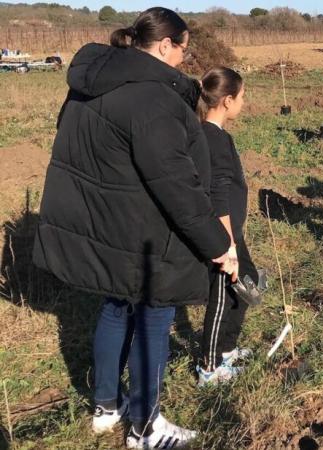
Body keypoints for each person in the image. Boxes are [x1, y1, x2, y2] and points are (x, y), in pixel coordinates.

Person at [32, 8, 233, 449]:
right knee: (154, 319)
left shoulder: (92, 83)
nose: (186, 58)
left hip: (105, 224)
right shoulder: (154, 99)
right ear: (166, 46)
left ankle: (106, 406)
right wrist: (220, 244)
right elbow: (176, 185)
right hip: (145, 236)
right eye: (184, 48)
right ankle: (145, 427)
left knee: (114, 308)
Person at [196, 67, 262, 386]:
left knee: (247, 281)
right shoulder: (210, 137)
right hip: (223, 235)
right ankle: (209, 368)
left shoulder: (220, 135)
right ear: (226, 100)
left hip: (233, 231)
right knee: (222, 293)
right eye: (242, 97)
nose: (244, 103)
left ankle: (227, 349)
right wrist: (228, 244)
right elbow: (218, 193)